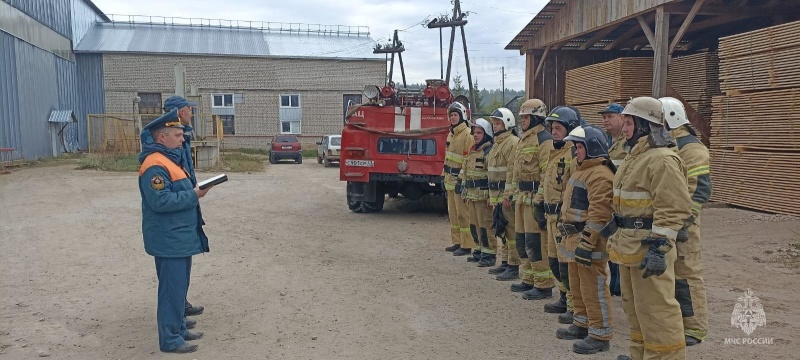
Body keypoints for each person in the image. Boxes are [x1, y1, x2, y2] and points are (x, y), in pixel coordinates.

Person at [608, 97, 692, 360]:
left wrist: (660, 247)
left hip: (650, 249)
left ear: (646, 124)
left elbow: (674, 207)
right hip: (630, 246)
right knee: (635, 309)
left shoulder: (662, 159)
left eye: (629, 122)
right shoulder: (636, 157)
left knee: (657, 312)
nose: (624, 128)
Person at [138, 109, 211, 353]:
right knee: (171, 290)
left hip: (179, 236)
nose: (182, 139)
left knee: (179, 287)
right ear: (162, 138)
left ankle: (178, 329)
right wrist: (194, 195)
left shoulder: (169, 159)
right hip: (169, 239)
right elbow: (160, 201)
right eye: (178, 135)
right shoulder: (154, 166)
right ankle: (169, 340)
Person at [554, 125, 615, 355]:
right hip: (574, 238)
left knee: (594, 288)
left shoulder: (600, 174)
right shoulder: (582, 170)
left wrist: (588, 243)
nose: (576, 151)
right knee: (578, 286)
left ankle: (600, 334)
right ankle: (581, 323)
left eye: (579, 146)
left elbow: (600, 213)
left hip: (588, 241)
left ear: (591, 147)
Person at [660, 97, 712, 347]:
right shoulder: (666, 144)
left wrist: (681, 223)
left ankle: (694, 327)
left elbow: (699, 190)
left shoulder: (692, 149)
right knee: (667, 276)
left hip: (684, 227)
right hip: (665, 223)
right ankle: (675, 323)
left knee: (686, 274)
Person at [162, 95, 206, 319]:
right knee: (175, 269)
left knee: (184, 263)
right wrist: (191, 194)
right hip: (177, 211)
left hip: (187, 205)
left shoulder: (182, 138)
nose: (191, 113)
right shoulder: (172, 143)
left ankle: (181, 305)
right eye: (189, 109)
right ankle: (176, 314)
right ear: (180, 112)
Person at [508, 99, 556, 300]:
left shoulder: (544, 140)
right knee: (522, 240)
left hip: (533, 199)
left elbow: (547, 173)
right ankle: (528, 279)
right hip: (521, 198)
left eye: (526, 117)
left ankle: (543, 284)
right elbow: (515, 172)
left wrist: (540, 200)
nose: (522, 121)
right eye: (522, 117)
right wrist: (510, 194)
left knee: (536, 243)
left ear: (536, 117)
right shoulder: (523, 140)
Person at [540, 106, 580, 320]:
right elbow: (545, 181)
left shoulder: (573, 154)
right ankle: (564, 298)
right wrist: (539, 203)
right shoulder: (553, 152)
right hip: (550, 217)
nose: (553, 132)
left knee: (567, 265)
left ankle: (575, 306)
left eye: (558, 128)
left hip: (563, 219)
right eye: (552, 128)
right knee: (554, 262)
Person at [485, 108, 521, 280]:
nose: (495, 126)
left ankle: (513, 265)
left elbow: (512, 173)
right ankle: (506, 262)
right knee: (503, 230)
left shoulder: (512, 143)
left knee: (511, 231)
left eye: (498, 123)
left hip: (505, 196)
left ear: (507, 123)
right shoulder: (497, 144)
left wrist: (508, 195)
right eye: (493, 123)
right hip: (496, 195)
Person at [459, 118, 496, 266]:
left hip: (483, 196)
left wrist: (491, 196)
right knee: (474, 225)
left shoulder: (488, 151)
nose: (475, 135)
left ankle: (489, 254)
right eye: (474, 132)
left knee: (485, 226)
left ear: (486, 134)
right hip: (472, 195)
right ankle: (479, 250)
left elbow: (492, 175)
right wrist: (463, 189)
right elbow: (466, 170)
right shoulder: (473, 151)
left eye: (479, 132)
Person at [598, 103, 626, 297]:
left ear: (623, 118)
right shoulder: (605, 142)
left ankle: (620, 284)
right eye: (604, 117)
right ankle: (615, 281)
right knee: (610, 243)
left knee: (621, 243)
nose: (606, 120)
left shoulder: (628, 143)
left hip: (623, 203)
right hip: (607, 201)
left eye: (610, 116)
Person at [443, 102, 475, 256]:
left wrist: (462, 180)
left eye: (455, 115)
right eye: (451, 115)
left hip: (459, 181)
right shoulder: (451, 134)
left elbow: (468, 160)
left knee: (463, 214)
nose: (453, 118)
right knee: (453, 213)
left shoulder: (467, 135)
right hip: (449, 180)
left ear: (462, 116)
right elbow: (447, 158)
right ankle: (457, 242)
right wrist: (444, 176)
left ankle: (467, 244)